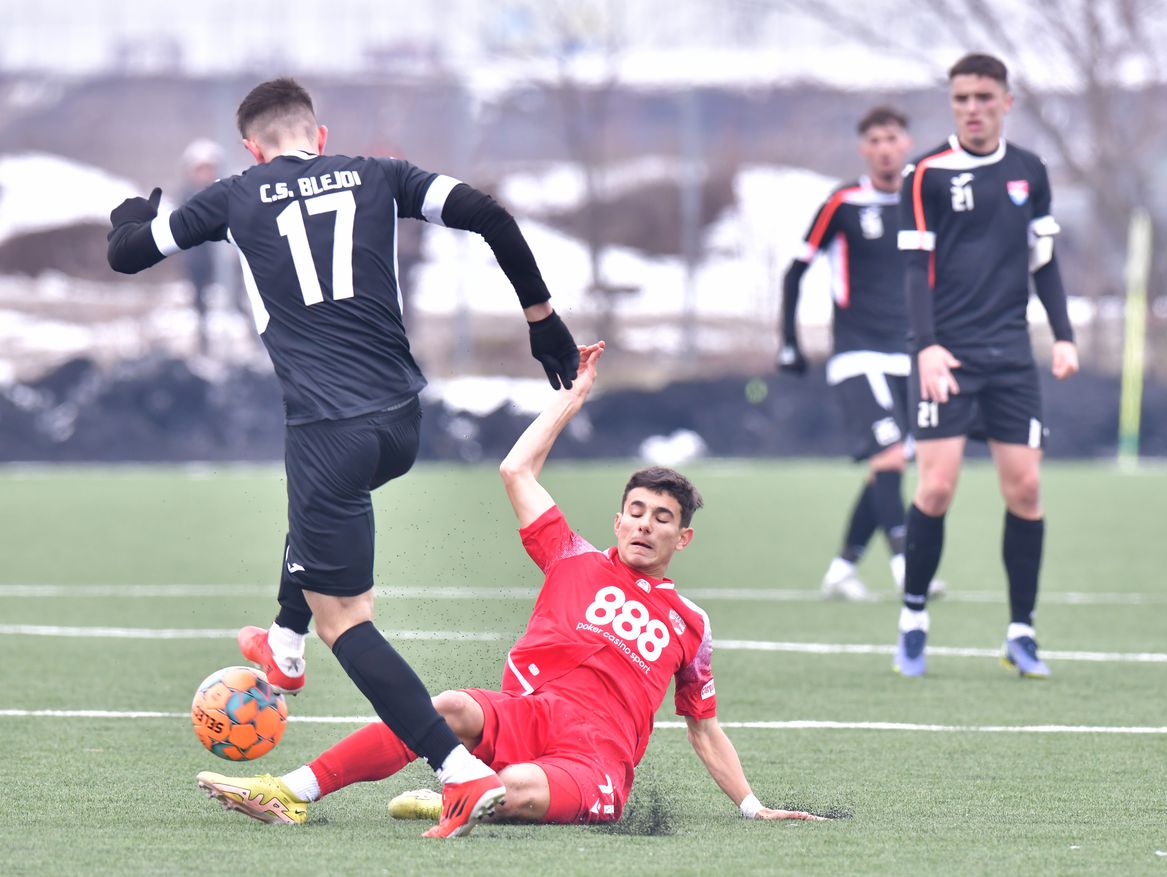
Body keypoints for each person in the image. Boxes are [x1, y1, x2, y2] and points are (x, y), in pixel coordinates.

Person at [107, 77, 582, 837]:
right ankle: (284, 647)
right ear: (318, 135)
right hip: (399, 422)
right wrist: (543, 321)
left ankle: (458, 771)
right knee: (310, 518)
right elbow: (489, 214)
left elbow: (130, 253)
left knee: (349, 622)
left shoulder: (235, 194)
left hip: (328, 431)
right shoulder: (378, 174)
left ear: (250, 148)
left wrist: (130, 217)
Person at [196, 342, 827, 829]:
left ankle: (467, 788)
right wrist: (572, 398)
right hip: (526, 715)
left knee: (512, 789)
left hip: (594, 761)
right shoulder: (573, 556)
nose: (645, 525)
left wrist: (751, 806)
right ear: (618, 518)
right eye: (636, 510)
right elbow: (515, 468)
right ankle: (292, 794)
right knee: (447, 708)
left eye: (662, 518)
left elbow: (702, 726)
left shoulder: (691, 623)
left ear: (681, 539)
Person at [893, 54, 1079, 678]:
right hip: (946, 354)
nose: (972, 107)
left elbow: (1044, 262)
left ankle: (1021, 633)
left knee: (1025, 488)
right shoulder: (924, 173)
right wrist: (925, 345)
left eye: (983, 96)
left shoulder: (1030, 171)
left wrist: (1063, 335)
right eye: (961, 98)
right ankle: (914, 614)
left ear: (1006, 101)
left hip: (1010, 359)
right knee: (937, 487)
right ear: (953, 104)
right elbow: (915, 268)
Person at [778, 106, 943, 602]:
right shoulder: (844, 202)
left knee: (887, 467)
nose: (884, 148)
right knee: (891, 456)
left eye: (892, 138)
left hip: (910, 356)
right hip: (858, 353)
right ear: (863, 149)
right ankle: (906, 565)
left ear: (907, 143)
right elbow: (796, 270)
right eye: (874, 140)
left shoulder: (922, 203)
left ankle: (842, 569)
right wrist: (789, 340)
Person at [178, 139, 224, 355]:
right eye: (200, 169)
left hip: (225, 260)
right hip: (198, 259)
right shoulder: (186, 197)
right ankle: (204, 344)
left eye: (209, 168)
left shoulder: (226, 193)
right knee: (200, 303)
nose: (205, 174)